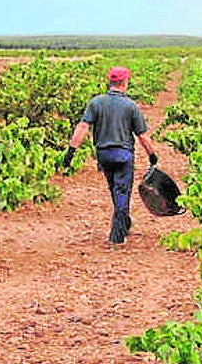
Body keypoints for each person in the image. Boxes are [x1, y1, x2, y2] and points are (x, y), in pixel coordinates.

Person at [62, 66, 159, 246]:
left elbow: (83, 127)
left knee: (115, 188)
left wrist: (71, 151)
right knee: (122, 191)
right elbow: (142, 136)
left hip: (103, 155)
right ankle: (117, 235)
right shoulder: (131, 106)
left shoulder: (96, 103)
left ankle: (124, 221)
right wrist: (152, 155)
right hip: (123, 155)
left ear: (110, 82)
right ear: (125, 83)